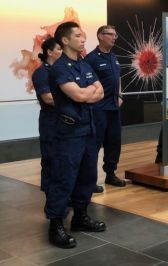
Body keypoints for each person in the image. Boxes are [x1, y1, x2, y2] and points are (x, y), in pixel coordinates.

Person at [45, 21, 105, 249]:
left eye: (83, 35)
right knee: (64, 177)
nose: (83, 38)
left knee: (87, 175)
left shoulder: (85, 65)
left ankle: (80, 216)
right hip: (69, 132)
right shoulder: (60, 68)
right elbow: (80, 96)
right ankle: (56, 224)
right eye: (78, 35)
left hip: (88, 129)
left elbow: (100, 91)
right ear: (65, 40)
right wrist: (88, 92)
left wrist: (87, 92)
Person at [85, 25, 126, 193]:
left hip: (113, 109)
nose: (114, 38)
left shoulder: (114, 57)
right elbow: (86, 84)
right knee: (94, 145)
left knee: (114, 142)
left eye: (115, 35)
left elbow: (117, 79)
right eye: (110, 35)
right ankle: (90, 180)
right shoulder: (91, 59)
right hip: (98, 109)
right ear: (100, 36)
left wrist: (120, 95)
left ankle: (110, 173)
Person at [32, 37, 62, 196]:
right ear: (49, 52)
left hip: (63, 122)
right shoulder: (41, 73)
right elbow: (48, 98)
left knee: (63, 160)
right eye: (58, 49)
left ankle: (62, 194)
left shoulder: (61, 70)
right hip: (50, 122)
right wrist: (74, 99)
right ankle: (51, 195)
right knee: (50, 159)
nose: (62, 52)